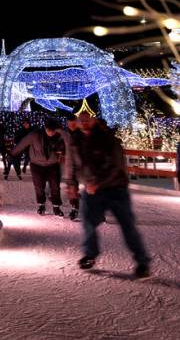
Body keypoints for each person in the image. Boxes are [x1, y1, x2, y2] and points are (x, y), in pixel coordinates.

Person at [66, 114, 150, 278]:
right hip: (92, 190)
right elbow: (72, 164)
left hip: (115, 188)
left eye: (87, 118)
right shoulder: (75, 140)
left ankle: (142, 262)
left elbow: (116, 165)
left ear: (94, 120)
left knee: (127, 225)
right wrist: (71, 184)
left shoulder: (107, 138)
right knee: (88, 220)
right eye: (80, 119)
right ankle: (90, 254)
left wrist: (97, 183)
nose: (83, 122)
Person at [11, 118, 69, 216]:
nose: (51, 132)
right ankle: (41, 205)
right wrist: (12, 154)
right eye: (49, 130)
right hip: (37, 165)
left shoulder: (59, 136)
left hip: (52, 165)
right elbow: (22, 144)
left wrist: (63, 151)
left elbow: (67, 146)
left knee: (55, 187)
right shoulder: (35, 135)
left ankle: (56, 207)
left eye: (53, 130)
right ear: (45, 128)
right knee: (39, 187)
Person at [62, 116, 83, 221]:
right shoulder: (65, 134)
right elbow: (61, 145)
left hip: (81, 166)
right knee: (71, 189)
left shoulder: (81, 134)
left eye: (73, 123)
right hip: (69, 166)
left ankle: (97, 210)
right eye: (70, 124)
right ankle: (74, 208)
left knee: (75, 189)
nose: (72, 126)